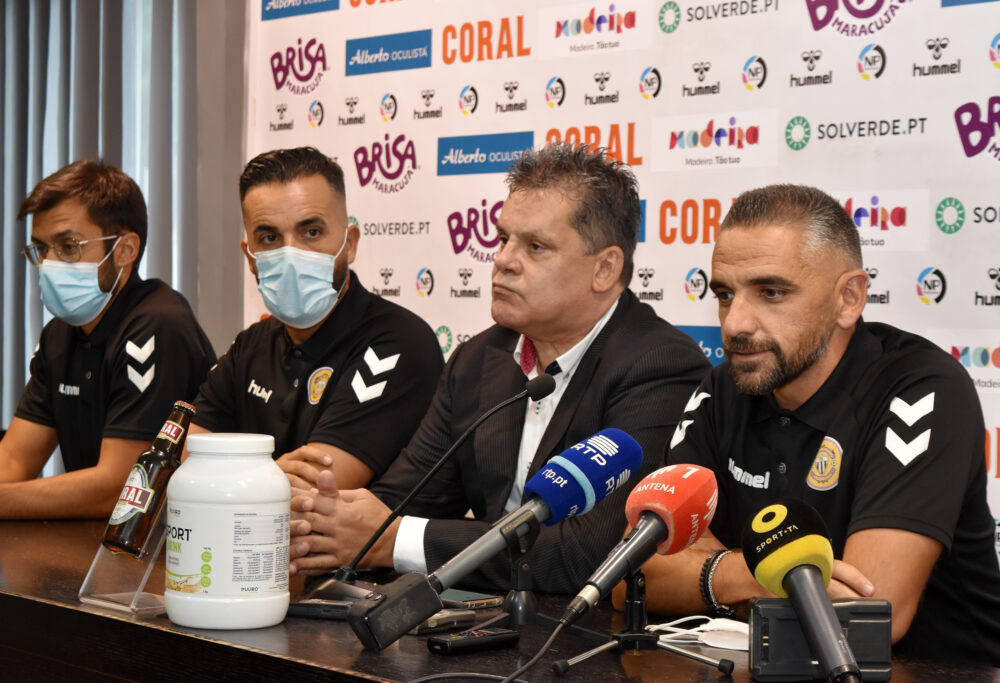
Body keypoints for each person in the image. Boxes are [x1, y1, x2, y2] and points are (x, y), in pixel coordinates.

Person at [288, 143, 711, 593]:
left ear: (604, 269)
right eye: (503, 238)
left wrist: (393, 540)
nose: (504, 260)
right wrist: (326, 520)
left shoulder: (660, 367)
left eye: (535, 246)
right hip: (484, 626)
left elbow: (592, 553)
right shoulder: (479, 360)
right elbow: (403, 499)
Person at [624, 184, 1000, 664]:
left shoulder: (921, 388)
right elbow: (634, 576)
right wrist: (756, 574)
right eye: (724, 294)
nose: (736, 323)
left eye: (771, 292)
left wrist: (705, 572)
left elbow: (868, 614)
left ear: (849, 298)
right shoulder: (722, 389)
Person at [190, 147, 442, 489]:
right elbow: (179, 462)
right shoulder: (250, 345)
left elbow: (315, 488)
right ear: (250, 257)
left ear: (349, 243)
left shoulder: (398, 342)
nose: (291, 254)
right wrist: (274, 472)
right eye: (269, 238)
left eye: (311, 233)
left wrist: (229, 473)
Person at [0, 160, 216, 519]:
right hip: (93, 547)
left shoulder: (158, 324)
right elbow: (13, 459)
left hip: (172, 554)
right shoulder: (60, 334)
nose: (49, 264)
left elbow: (122, 486)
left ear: (125, 250)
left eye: (68, 246)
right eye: (41, 249)